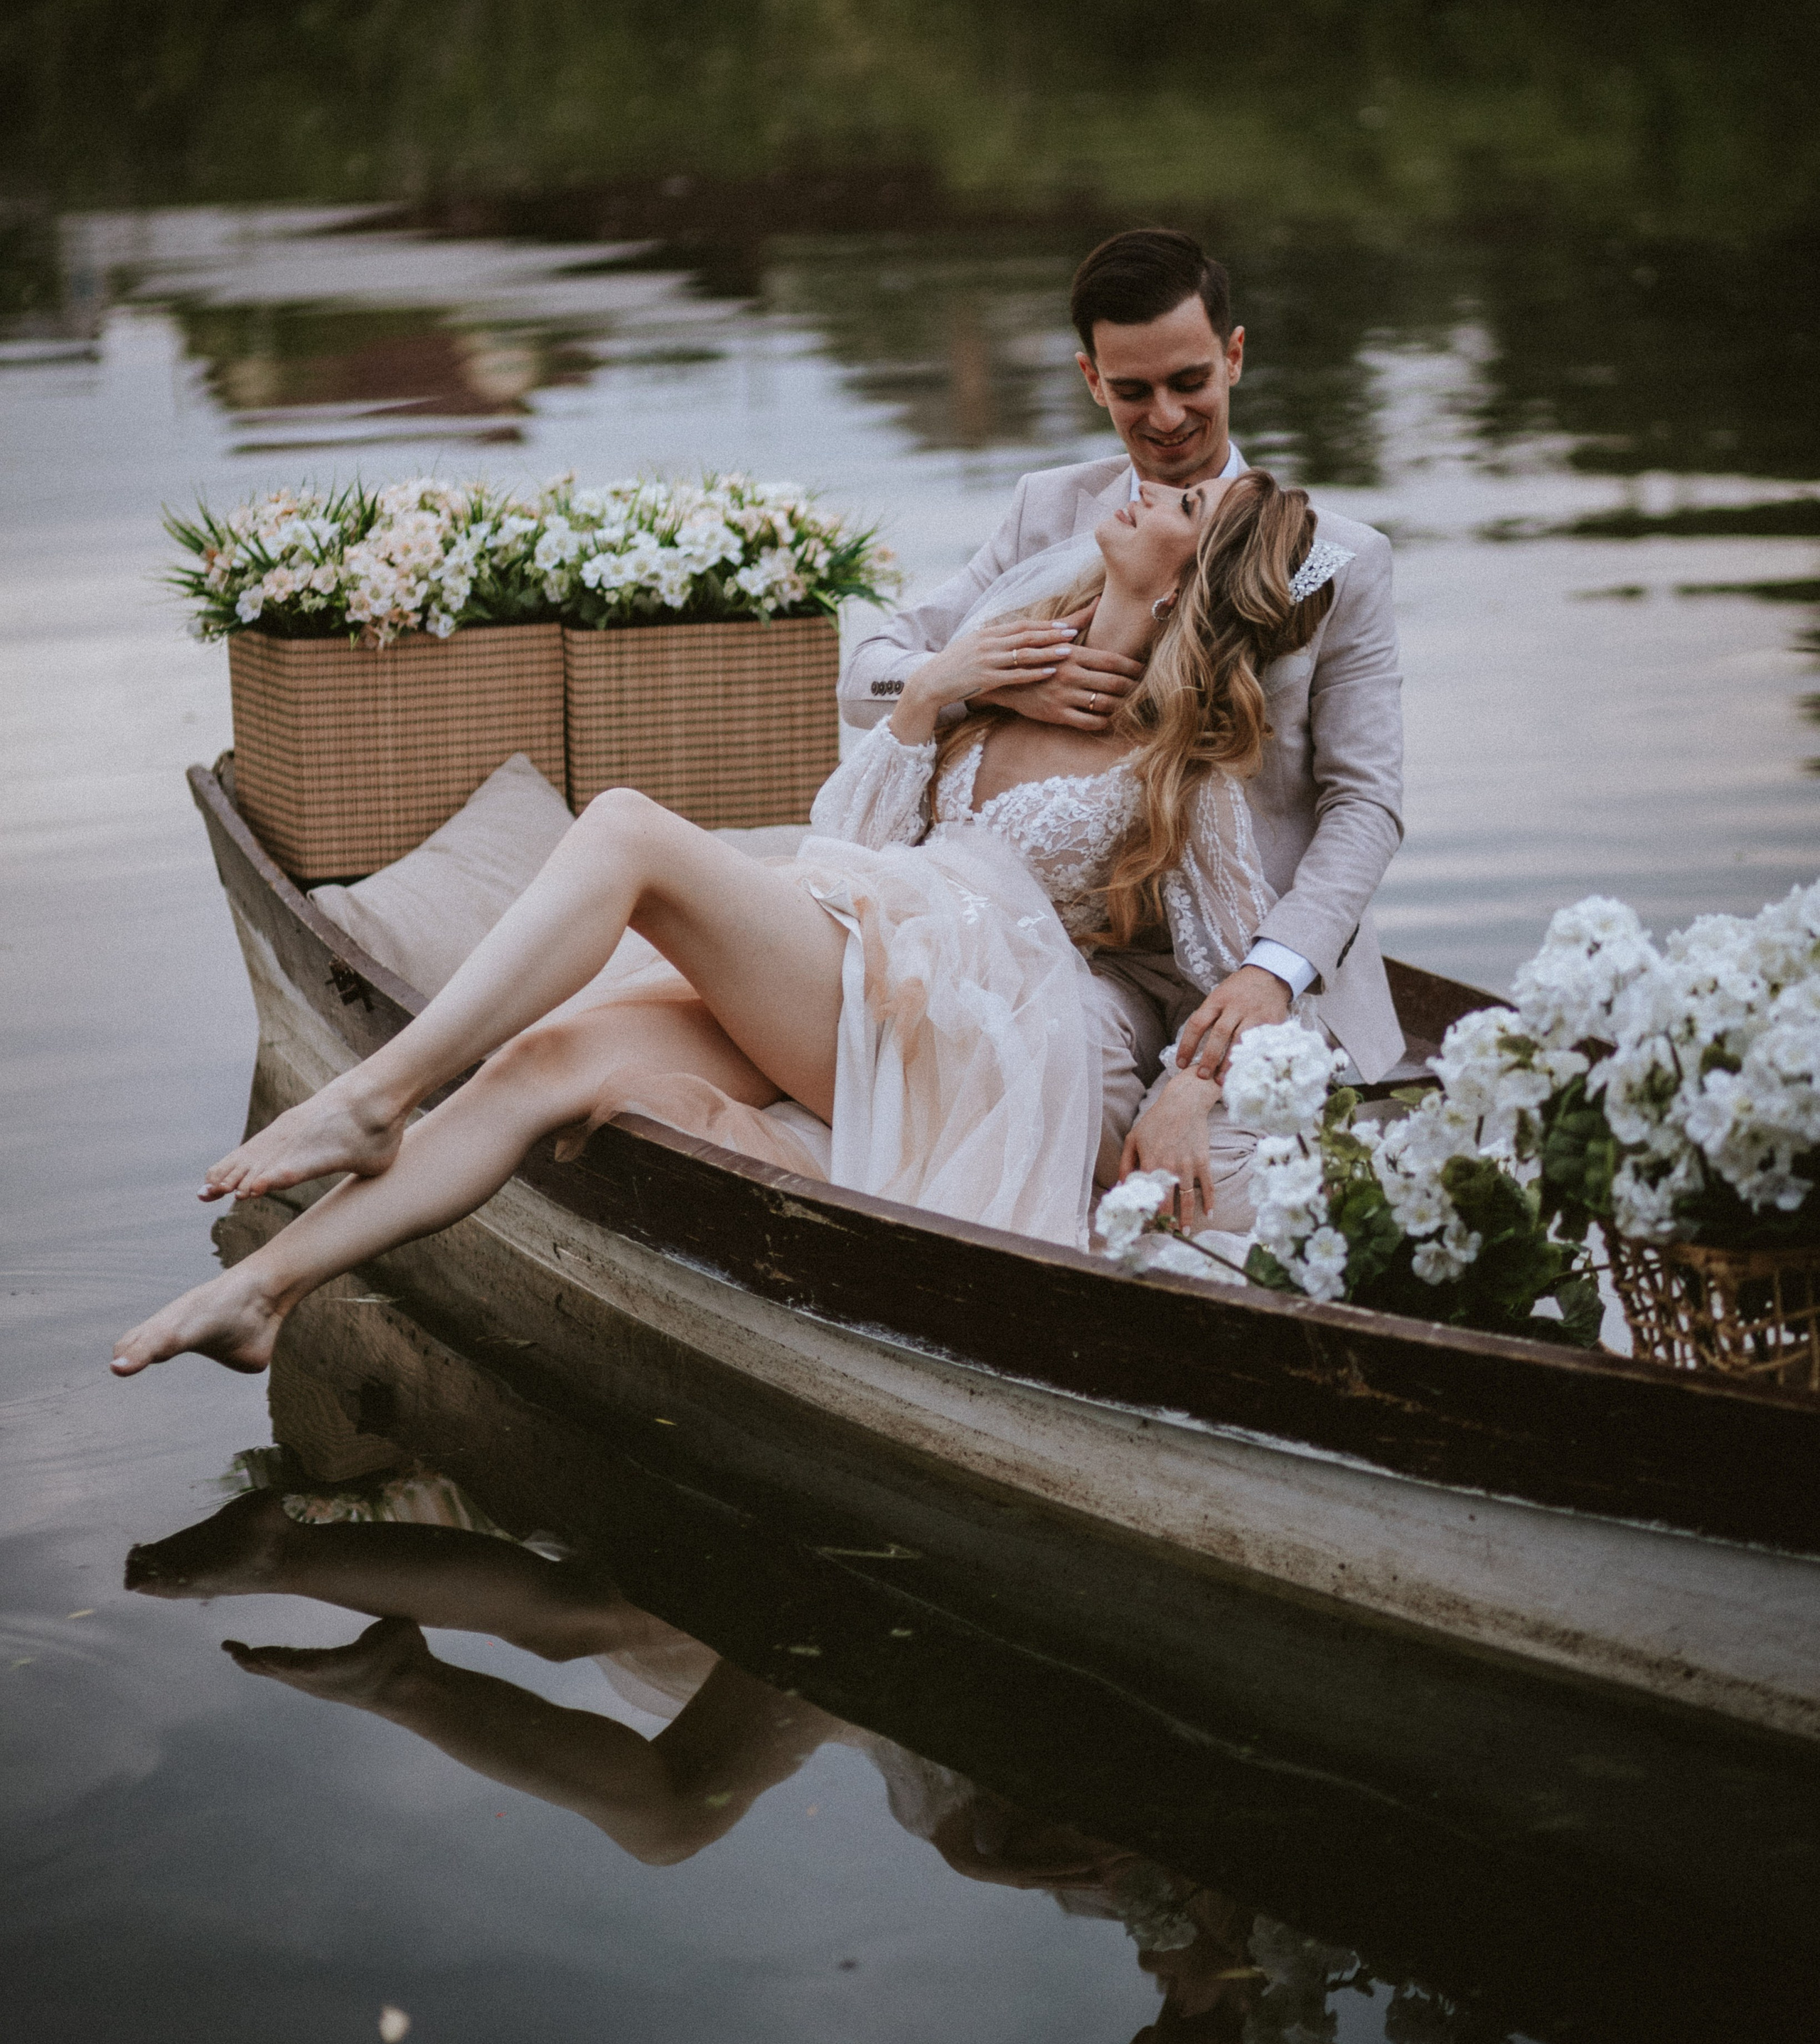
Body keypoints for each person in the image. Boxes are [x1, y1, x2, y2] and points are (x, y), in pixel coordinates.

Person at [110, 465, 1349, 1380]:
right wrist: (932, 693)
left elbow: (1244, 976)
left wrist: (1190, 1090)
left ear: (1196, 573)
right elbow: (851, 841)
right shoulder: (1016, 660)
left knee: (631, 831)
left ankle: (374, 1097)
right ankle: (266, 1291)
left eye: (1182, 503)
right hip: (871, 940)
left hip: (956, 1014)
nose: (1144, 486)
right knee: (546, 1062)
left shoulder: (1178, 767)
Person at [124, 1482, 1273, 2044]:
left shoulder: (1123, 1916)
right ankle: (308, 1582)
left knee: (660, 1780)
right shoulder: (1309, 1930)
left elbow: (960, 1818)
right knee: (609, 1631)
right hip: (935, 1636)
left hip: (907, 1687)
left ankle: (370, 1649)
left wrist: (989, 1848)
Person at [840, 226, 1408, 1157]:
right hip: (1072, 958)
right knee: (1033, 1081)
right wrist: (987, 679)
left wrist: (1275, 972)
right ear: (1091, 379)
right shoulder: (1047, 513)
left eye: (1190, 381)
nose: (1170, 418)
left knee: (1208, 1166)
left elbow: (1367, 804)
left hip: (1250, 962)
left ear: (1233, 355)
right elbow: (867, 673)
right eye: (1134, 390)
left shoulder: (1340, 559)